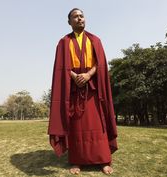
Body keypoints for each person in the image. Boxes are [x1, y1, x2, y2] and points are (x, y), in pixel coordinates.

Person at [48, 8, 118, 175]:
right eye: (75, 17)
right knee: (76, 127)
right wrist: (74, 76)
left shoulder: (95, 40)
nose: (79, 19)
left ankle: (104, 160)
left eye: (81, 16)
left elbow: (99, 64)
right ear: (69, 22)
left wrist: (87, 75)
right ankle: (76, 161)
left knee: (97, 124)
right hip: (73, 90)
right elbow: (61, 67)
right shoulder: (64, 42)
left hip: (92, 90)